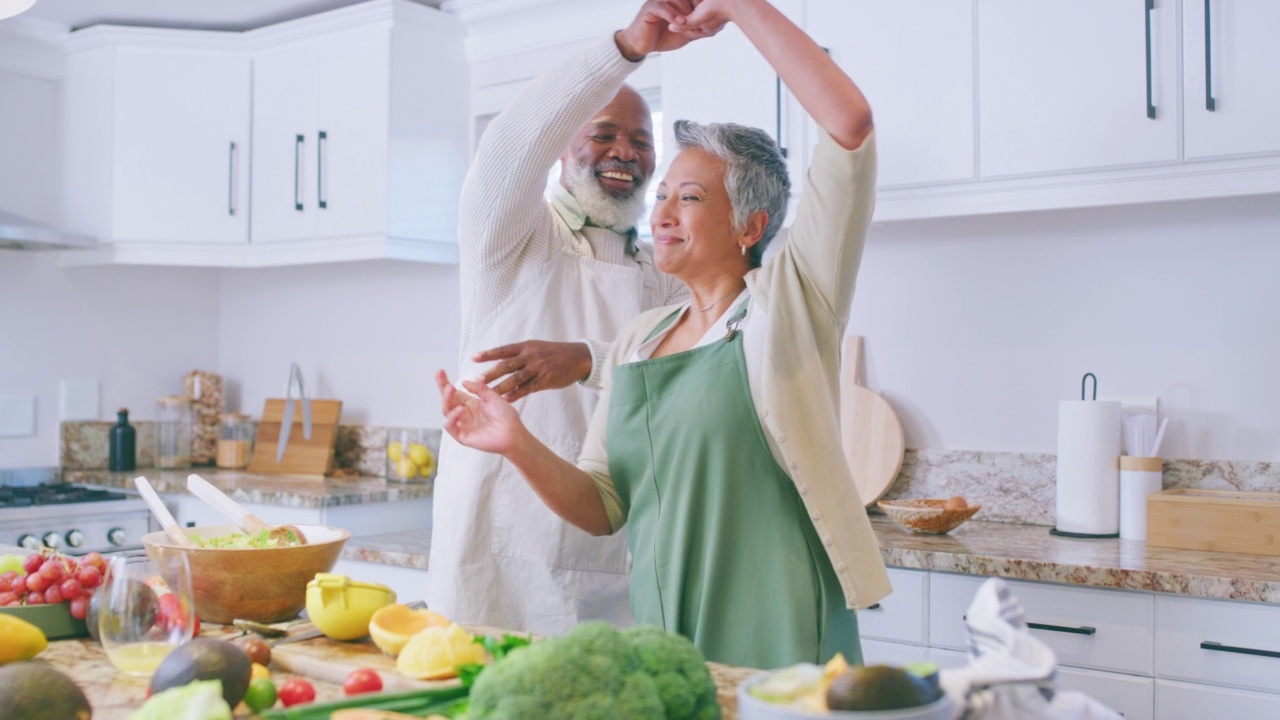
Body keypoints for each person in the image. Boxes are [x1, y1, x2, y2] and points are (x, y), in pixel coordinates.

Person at [437, 0, 893, 669]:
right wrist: (513, 439)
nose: (663, 209)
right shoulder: (631, 330)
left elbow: (849, 127)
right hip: (643, 615)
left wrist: (742, 7)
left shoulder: (789, 302)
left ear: (750, 226)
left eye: (691, 196)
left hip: (770, 613)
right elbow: (603, 500)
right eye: (666, 195)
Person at [425, 1, 694, 635]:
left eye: (639, 141)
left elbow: (681, 387)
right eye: (602, 132)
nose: (623, 151)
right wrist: (627, 48)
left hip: (616, 547)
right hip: (497, 552)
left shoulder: (666, 275)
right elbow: (510, 144)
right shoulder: (513, 242)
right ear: (564, 144)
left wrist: (583, 360)